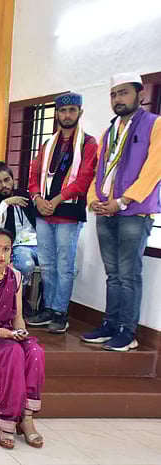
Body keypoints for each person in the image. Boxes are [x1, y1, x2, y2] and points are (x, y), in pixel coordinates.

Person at [83, 72, 161, 352]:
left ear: (140, 94)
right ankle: (109, 325)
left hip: (133, 212)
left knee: (129, 275)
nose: (118, 99)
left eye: (124, 93)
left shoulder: (155, 124)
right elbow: (99, 171)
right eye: (114, 94)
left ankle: (128, 332)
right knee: (113, 274)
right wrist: (94, 199)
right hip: (106, 211)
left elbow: (153, 171)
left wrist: (123, 201)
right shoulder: (110, 132)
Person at [26, 92, 98, 333]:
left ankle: (60, 313)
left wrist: (56, 200)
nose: (67, 115)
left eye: (72, 110)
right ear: (57, 113)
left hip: (69, 213)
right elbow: (33, 175)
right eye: (63, 111)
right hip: (43, 212)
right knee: (47, 264)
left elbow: (84, 178)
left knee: (64, 265)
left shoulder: (88, 144)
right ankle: (47, 308)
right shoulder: (47, 145)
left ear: (80, 112)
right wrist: (37, 199)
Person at [0, 228, 46, 450]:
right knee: (12, 353)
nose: (0, 254)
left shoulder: (15, 276)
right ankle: (5, 420)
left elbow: (18, 317)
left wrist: (21, 334)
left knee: (35, 352)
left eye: (6, 249)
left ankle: (27, 418)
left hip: (8, 333)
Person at [0, 162, 39, 283]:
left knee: (56, 266)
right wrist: (5, 203)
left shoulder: (26, 196)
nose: (4, 185)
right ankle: (20, 293)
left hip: (38, 243)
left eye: (6, 180)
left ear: (13, 180)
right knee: (26, 265)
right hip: (17, 246)